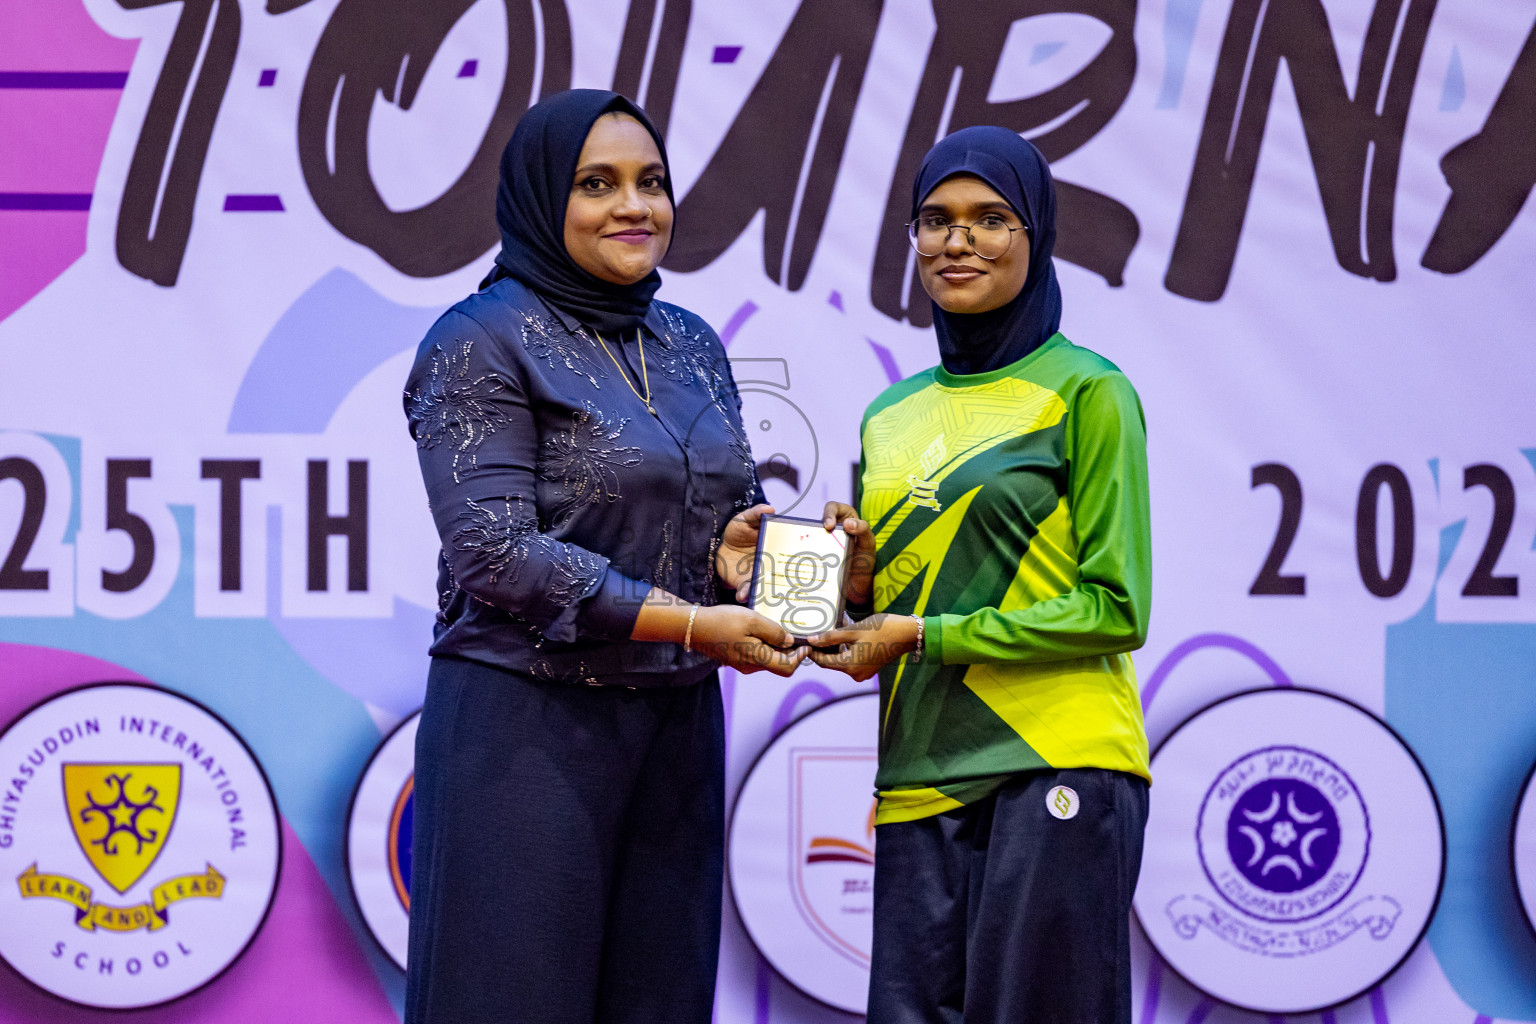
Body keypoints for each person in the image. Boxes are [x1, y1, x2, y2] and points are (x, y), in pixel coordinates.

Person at [401, 89, 802, 1024]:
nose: (635, 206)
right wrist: (699, 620)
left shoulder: (691, 343)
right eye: (598, 184)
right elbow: (493, 553)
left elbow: (715, 520)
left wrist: (772, 563)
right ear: (546, 199)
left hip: (675, 732)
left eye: (651, 182)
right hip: (528, 736)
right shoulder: (476, 340)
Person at [807, 126, 1153, 1023]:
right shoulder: (890, 414)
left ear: (1035, 236)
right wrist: (857, 589)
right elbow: (904, 600)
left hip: (1054, 761)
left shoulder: (1089, 391)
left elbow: (1117, 608)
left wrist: (925, 634)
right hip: (918, 769)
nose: (957, 241)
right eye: (935, 220)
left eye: (990, 218)